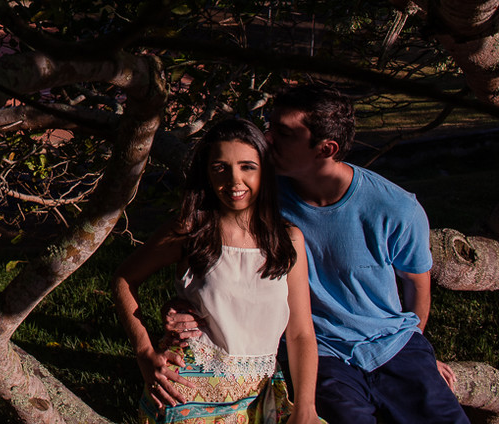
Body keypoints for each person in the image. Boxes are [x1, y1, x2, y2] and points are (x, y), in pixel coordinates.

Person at [165, 86, 469, 424]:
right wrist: (181, 304)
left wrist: (419, 355)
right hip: (322, 354)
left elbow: (417, 286)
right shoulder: (260, 197)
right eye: (270, 126)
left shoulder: (395, 208)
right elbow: (214, 252)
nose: (267, 138)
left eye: (283, 133)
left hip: (392, 345)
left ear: (326, 149)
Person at [112, 118, 322, 424]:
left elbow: (301, 333)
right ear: (207, 173)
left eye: (247, 167)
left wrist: (305, 406)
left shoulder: (288, 239)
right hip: (187, 391)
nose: (235, 180)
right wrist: (144, 353)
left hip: (260, 395)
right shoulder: (190, 230)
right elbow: (123, 280)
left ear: (265, 170)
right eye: (220, 168)